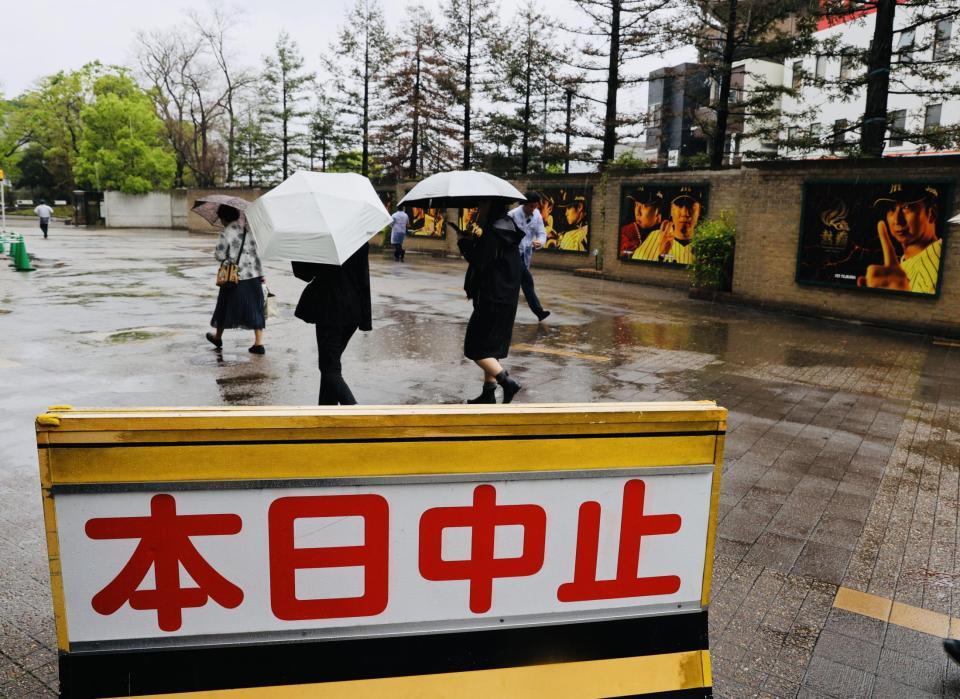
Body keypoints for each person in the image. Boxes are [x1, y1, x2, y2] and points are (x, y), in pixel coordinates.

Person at [454, 201, 524, 404]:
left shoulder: (494, 231)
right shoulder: (507, 226)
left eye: (482, 206)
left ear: (491, 207)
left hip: (492, 297)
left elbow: (481, 262)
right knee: (491, 348)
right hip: (506, 297)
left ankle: (507, 381)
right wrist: (475, 240)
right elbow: (493, 258)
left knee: (475, 348)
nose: (478, 209)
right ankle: (488, 393)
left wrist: (463, 242)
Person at [292, 243, 371, 405]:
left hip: (330, 310)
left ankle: (356, 413)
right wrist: (365, 320)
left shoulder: (323, 240)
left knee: (330, 368)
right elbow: (364, 278)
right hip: (353, 311)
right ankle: (326, 412)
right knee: (331, 364)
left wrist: (296, 249)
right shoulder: (359, 239)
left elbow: (304, 273)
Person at [858, 183, 941, 294]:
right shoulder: (909, 261)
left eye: (906, 207)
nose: (897, 220)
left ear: (931, 214)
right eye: (891, 209)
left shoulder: (935, 272)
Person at [206, 205, 265, 354]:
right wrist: (261, 273)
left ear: (224, 218)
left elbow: (219, 255)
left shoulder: (226, 233)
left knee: (225, 305)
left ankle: (218, 337)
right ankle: (258, 343)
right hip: (254, 275)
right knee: (255, 308)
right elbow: (257, 252)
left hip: (234, 276)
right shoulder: (249, 230)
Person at [508, 192, 550, 322]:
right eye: (531, 206)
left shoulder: (536, 215)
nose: (534, 209)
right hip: (512, 254)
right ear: (524, 204)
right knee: (527, 280)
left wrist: (540, 242)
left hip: (525, 255)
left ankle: (508, 312)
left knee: (516, 284)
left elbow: (542, 233)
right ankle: (538, 311)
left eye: (536, 206)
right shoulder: (512, 215)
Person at [632, 187, 701, 264]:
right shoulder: (653, 236)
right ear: (671, 210)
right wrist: (661, 255)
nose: (685, 213)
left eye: (690, 206)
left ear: (699, 211)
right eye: (679, 205)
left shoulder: (706, 245)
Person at [619, 187, 663, 258]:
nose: (637, 212)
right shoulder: (627, 234)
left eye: (643, 206)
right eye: (636, 205)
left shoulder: (670, 234)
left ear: (657, 211)